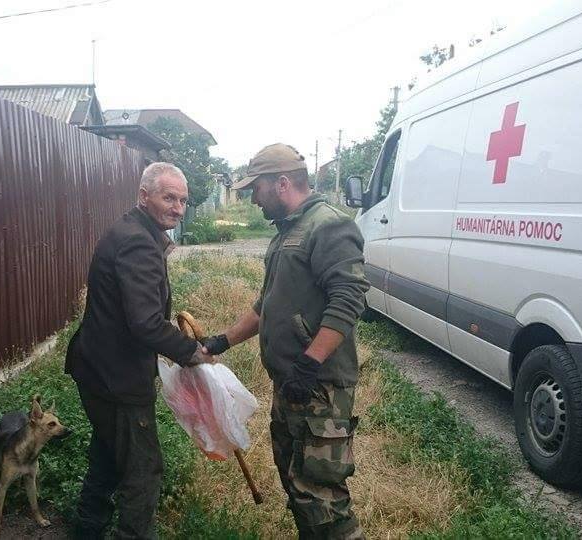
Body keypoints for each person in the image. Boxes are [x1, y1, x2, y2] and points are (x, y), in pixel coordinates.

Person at [201, 144, 370, 539]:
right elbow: (266, 306)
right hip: (292, 384)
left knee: (322, 495)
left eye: (254, 189)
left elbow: (349, 299)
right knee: (297, 485)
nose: (251, 197)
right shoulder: (287, 231)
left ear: (281, 183)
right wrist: (221, 342)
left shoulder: (327, 225)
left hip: (319, 387)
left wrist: (310, 364)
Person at [65, 162, 214, 539]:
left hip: (98, 369)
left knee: (107, 454)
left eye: (183, 200)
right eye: (169, 197)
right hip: (117, 379)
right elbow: (145, 323)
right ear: (143, 196)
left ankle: (86, 529)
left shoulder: (133, 231)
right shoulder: (137, 242)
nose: (178, 208)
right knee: (143, 470)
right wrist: (191, 352)